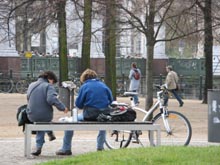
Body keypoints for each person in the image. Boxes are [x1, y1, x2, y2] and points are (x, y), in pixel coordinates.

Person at [56, 68, 114, 155]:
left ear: (84, 78)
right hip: (104, 114)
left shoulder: (85, 87)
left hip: (89, 114)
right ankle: (100, 147)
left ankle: (66, 148)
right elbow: (111, 100)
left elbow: (79, 104)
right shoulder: (104, 85)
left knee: (70, 122)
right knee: (103, 124)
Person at [27, 71, 69, 156]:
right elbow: (51, 99)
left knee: (41, 119)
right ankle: (40, 143)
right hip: (44, 115)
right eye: (53, 82)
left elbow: (28, 98)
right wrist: (63, 108)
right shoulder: (48, 86)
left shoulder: (31, 85)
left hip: (31, 114)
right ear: (50, 79)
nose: (53, 84)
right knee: (43, 119)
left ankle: (47, 135)